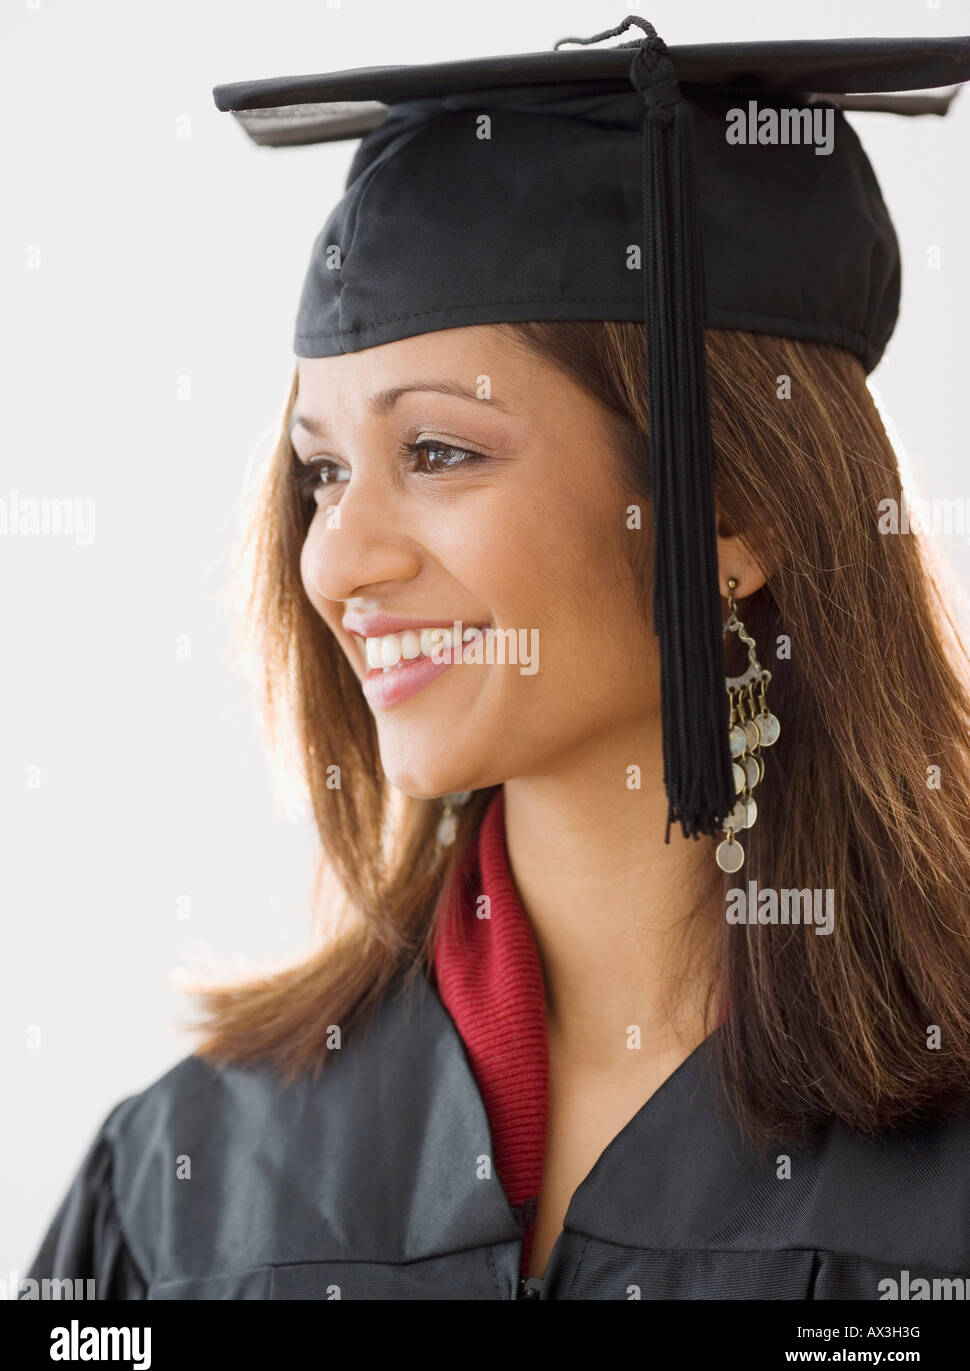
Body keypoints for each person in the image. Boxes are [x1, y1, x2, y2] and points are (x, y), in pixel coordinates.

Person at [21, 18, 970, 1300]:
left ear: (732, 510)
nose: (334, 562)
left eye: (439, 452)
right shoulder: (192, 1180)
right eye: (322, 473)